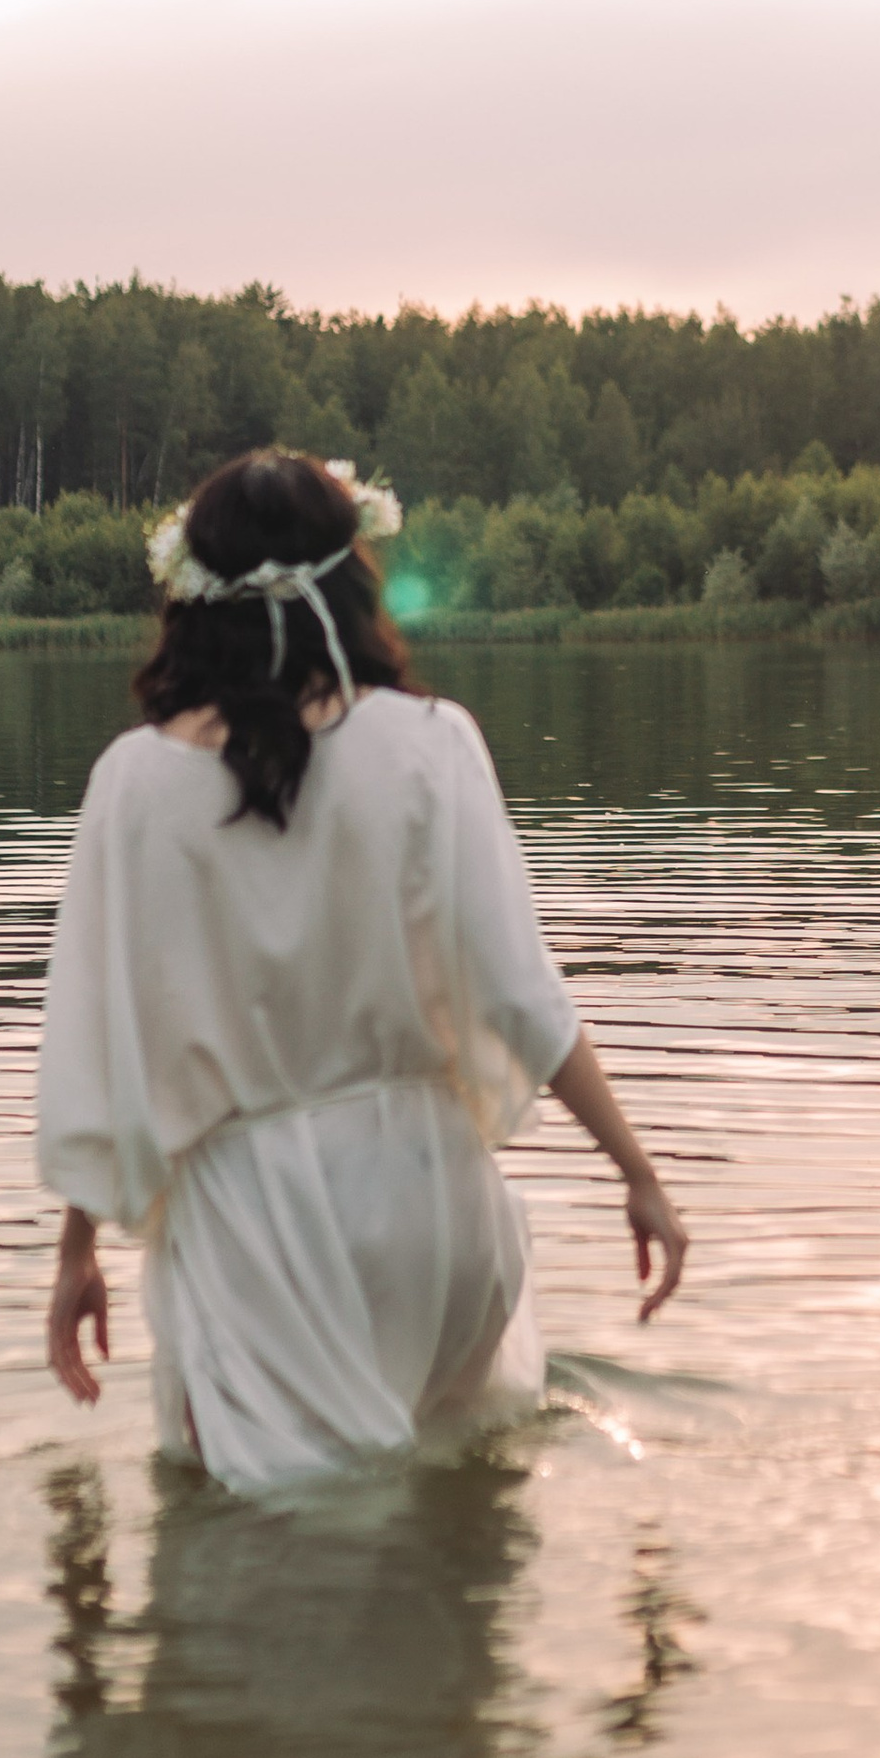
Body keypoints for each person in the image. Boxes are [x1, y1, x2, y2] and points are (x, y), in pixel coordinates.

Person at [36, 447, 685, 1495]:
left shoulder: (131, 784)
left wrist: (77, 1254)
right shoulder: (435, 744)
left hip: (254, 1219)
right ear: (352, 576)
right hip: (434, 1206)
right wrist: (639, 1175)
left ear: (189, 596)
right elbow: (522, 993)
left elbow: (107, 1044)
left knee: (265, 1570)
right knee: (456, 1576)